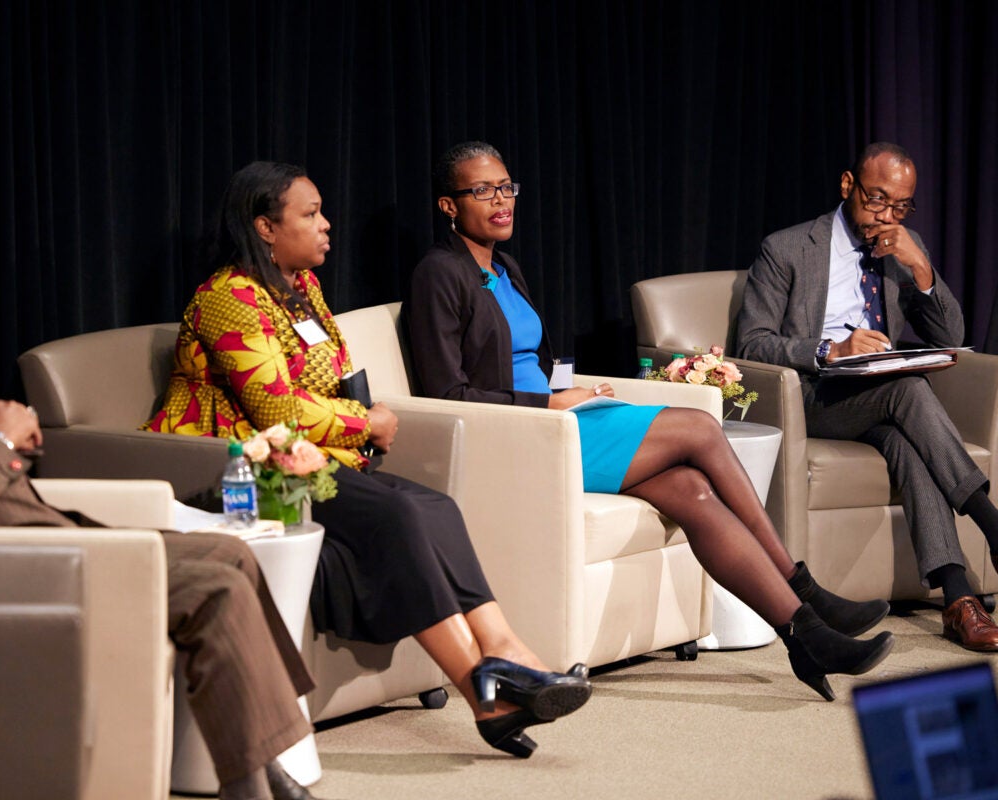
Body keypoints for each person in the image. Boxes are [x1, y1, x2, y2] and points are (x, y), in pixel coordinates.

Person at [0, 219, 319, 800]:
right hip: (23, 563)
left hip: (43, 534)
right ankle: (248, 785)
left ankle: (270, 760)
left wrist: (1, 447)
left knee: (230, 551)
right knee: (215, 587)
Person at [404, 141, 895, 702]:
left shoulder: (505, 267)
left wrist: (571, 392)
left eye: (507, 187)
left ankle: (803, 636)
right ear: (448, 205)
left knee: (692, 491)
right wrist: (549, 408)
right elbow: (449, 392)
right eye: (482, 190)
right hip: (525, 441)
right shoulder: (437, 274)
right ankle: (801, 585)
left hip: (561, 421)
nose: (501, 200)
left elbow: (525, 364)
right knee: (700, 428)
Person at [143, 160, 591, 759]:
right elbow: (277, 410)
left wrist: (361, 415)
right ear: (265, 227)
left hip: (307, 456)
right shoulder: (229, 298)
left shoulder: (300, 289)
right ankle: (487, 689)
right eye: (310, 214)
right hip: (242, 468)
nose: (327, 225)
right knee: (400, 517)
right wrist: (365, 423)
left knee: (434, 507)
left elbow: (329, 377)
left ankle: (505, 654)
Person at [735, 141, 998, 652]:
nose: (886, 214)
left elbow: (952, 332)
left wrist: (920, 267)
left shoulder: (903, 246)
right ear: (847, 186)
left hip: (877, 400)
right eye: (877, 200)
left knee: (907, 444)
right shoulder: (787, 248)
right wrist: (832, 349)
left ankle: (959, 597)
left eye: (900, 206)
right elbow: (753, 341)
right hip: (814, 395)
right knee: (907, 388)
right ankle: (990, 521)